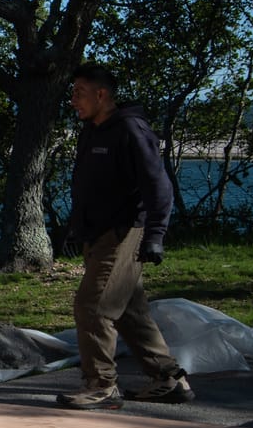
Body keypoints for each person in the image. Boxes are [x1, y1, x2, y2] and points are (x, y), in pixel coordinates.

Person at [58, 63, 192, 409]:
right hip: (97, 233)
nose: (73, 100)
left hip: (125, 231)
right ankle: (168, 379)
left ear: (101, 95)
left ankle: (101, 385)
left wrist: (155, 235)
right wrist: (77, 227)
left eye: (80, 93)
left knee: (94, 306)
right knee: (130, 311)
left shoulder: (131, 130)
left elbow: (158, 186)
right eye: (72, 93)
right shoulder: (92, 130)